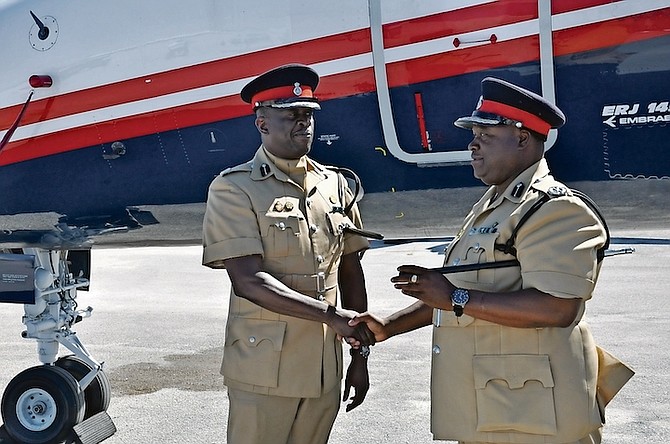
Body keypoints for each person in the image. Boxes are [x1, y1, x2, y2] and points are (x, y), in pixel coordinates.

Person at [350, 77, 633, 444]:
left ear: (522, 138)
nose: (472, 143)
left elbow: (558, 308)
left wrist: (455, 298)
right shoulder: (494, 206)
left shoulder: (555, 209)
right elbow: (461, 293)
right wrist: (389, 326)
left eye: (486, 133)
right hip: (498, 407)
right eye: (474, 133)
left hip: (535, 415)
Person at [202, 63, 375, 444]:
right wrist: (335, 317)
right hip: (264, 371)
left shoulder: (337, 186)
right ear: (262, 123)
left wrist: (359, 358)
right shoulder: (235, 189)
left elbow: (350, 272)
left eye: (308, 114)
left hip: (323, 371)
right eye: (291, 115)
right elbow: (248, 281)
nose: (303, 123)